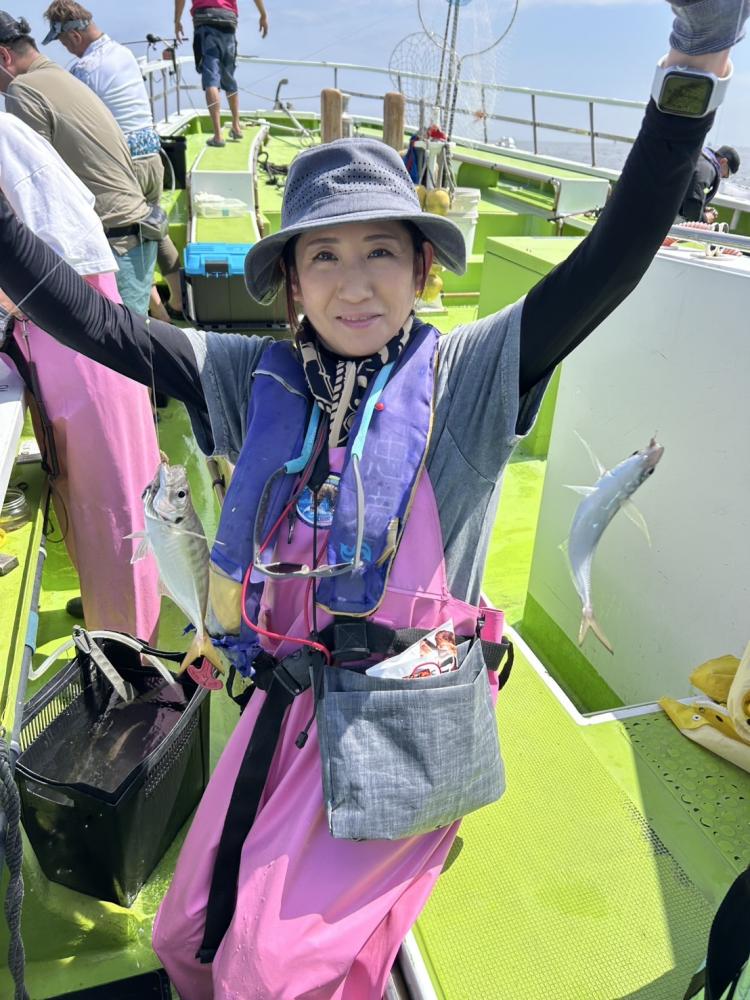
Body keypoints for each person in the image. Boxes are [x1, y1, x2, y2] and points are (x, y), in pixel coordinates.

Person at [0, 2, 744, 995]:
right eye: (324, 256)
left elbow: (613, 253)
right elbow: (99, 327)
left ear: (424, 269)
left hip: (405, 723)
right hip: (288, 706)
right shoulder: (249, 377)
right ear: (292, 286)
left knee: (266, 971)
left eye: (381, 251)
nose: (354, 285)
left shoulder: (472, 378)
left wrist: (697, 57)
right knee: (184, 934)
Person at [0, 112, 161, 639]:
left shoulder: (6, 136)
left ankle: (130, 648)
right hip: (39, 331)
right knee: (78, 493)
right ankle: (105, 608)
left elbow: (60, 249)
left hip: (72, 328)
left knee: (116, 504)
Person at [0, 12, 163, 316]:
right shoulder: (60, 76)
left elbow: (33, 194)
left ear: (3, 56)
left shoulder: (23, 90)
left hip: (113, 247)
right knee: (136, 338)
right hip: (135, 233)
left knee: (117, 345)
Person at [41, 1, 185, 322]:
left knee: (129, 237)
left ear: (74, 35)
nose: (66, 49)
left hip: (122, 167)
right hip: (152, 158)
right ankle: (177, 302)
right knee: (153, 226)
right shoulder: (123, 53)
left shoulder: (83, 70)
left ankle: (158, 316)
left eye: (63, 42)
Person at [174, 0, 268, 147]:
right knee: (228, 77)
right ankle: (236, 126)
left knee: (211, 78)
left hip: (205, 20)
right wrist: (263, 15)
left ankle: (218, 136)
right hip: (228, 20)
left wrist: (177, 21)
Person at [677, 143, 741, 222]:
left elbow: (691, 192)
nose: (725, 176)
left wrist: (702, 208)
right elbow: (692, 204)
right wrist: (705, 218)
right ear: (723, 161)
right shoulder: (706, 170)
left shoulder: (699, 159)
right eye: (728, 173)